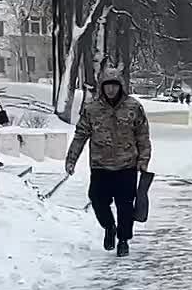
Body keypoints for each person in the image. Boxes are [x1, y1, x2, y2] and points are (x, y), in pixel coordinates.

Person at [65, 67, 152, 257]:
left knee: (125, 205)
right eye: (107, 86)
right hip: (100, 165)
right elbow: (80, 135)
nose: (111, 90)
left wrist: (143, 160)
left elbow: (142, 135)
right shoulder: (92, 109)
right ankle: (109, 226)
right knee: (97, 199)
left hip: (127, 164)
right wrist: (71, 159)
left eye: (114, 85)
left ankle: (123, 240)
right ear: (101, 87)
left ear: (120, 86)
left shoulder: (133, 107)